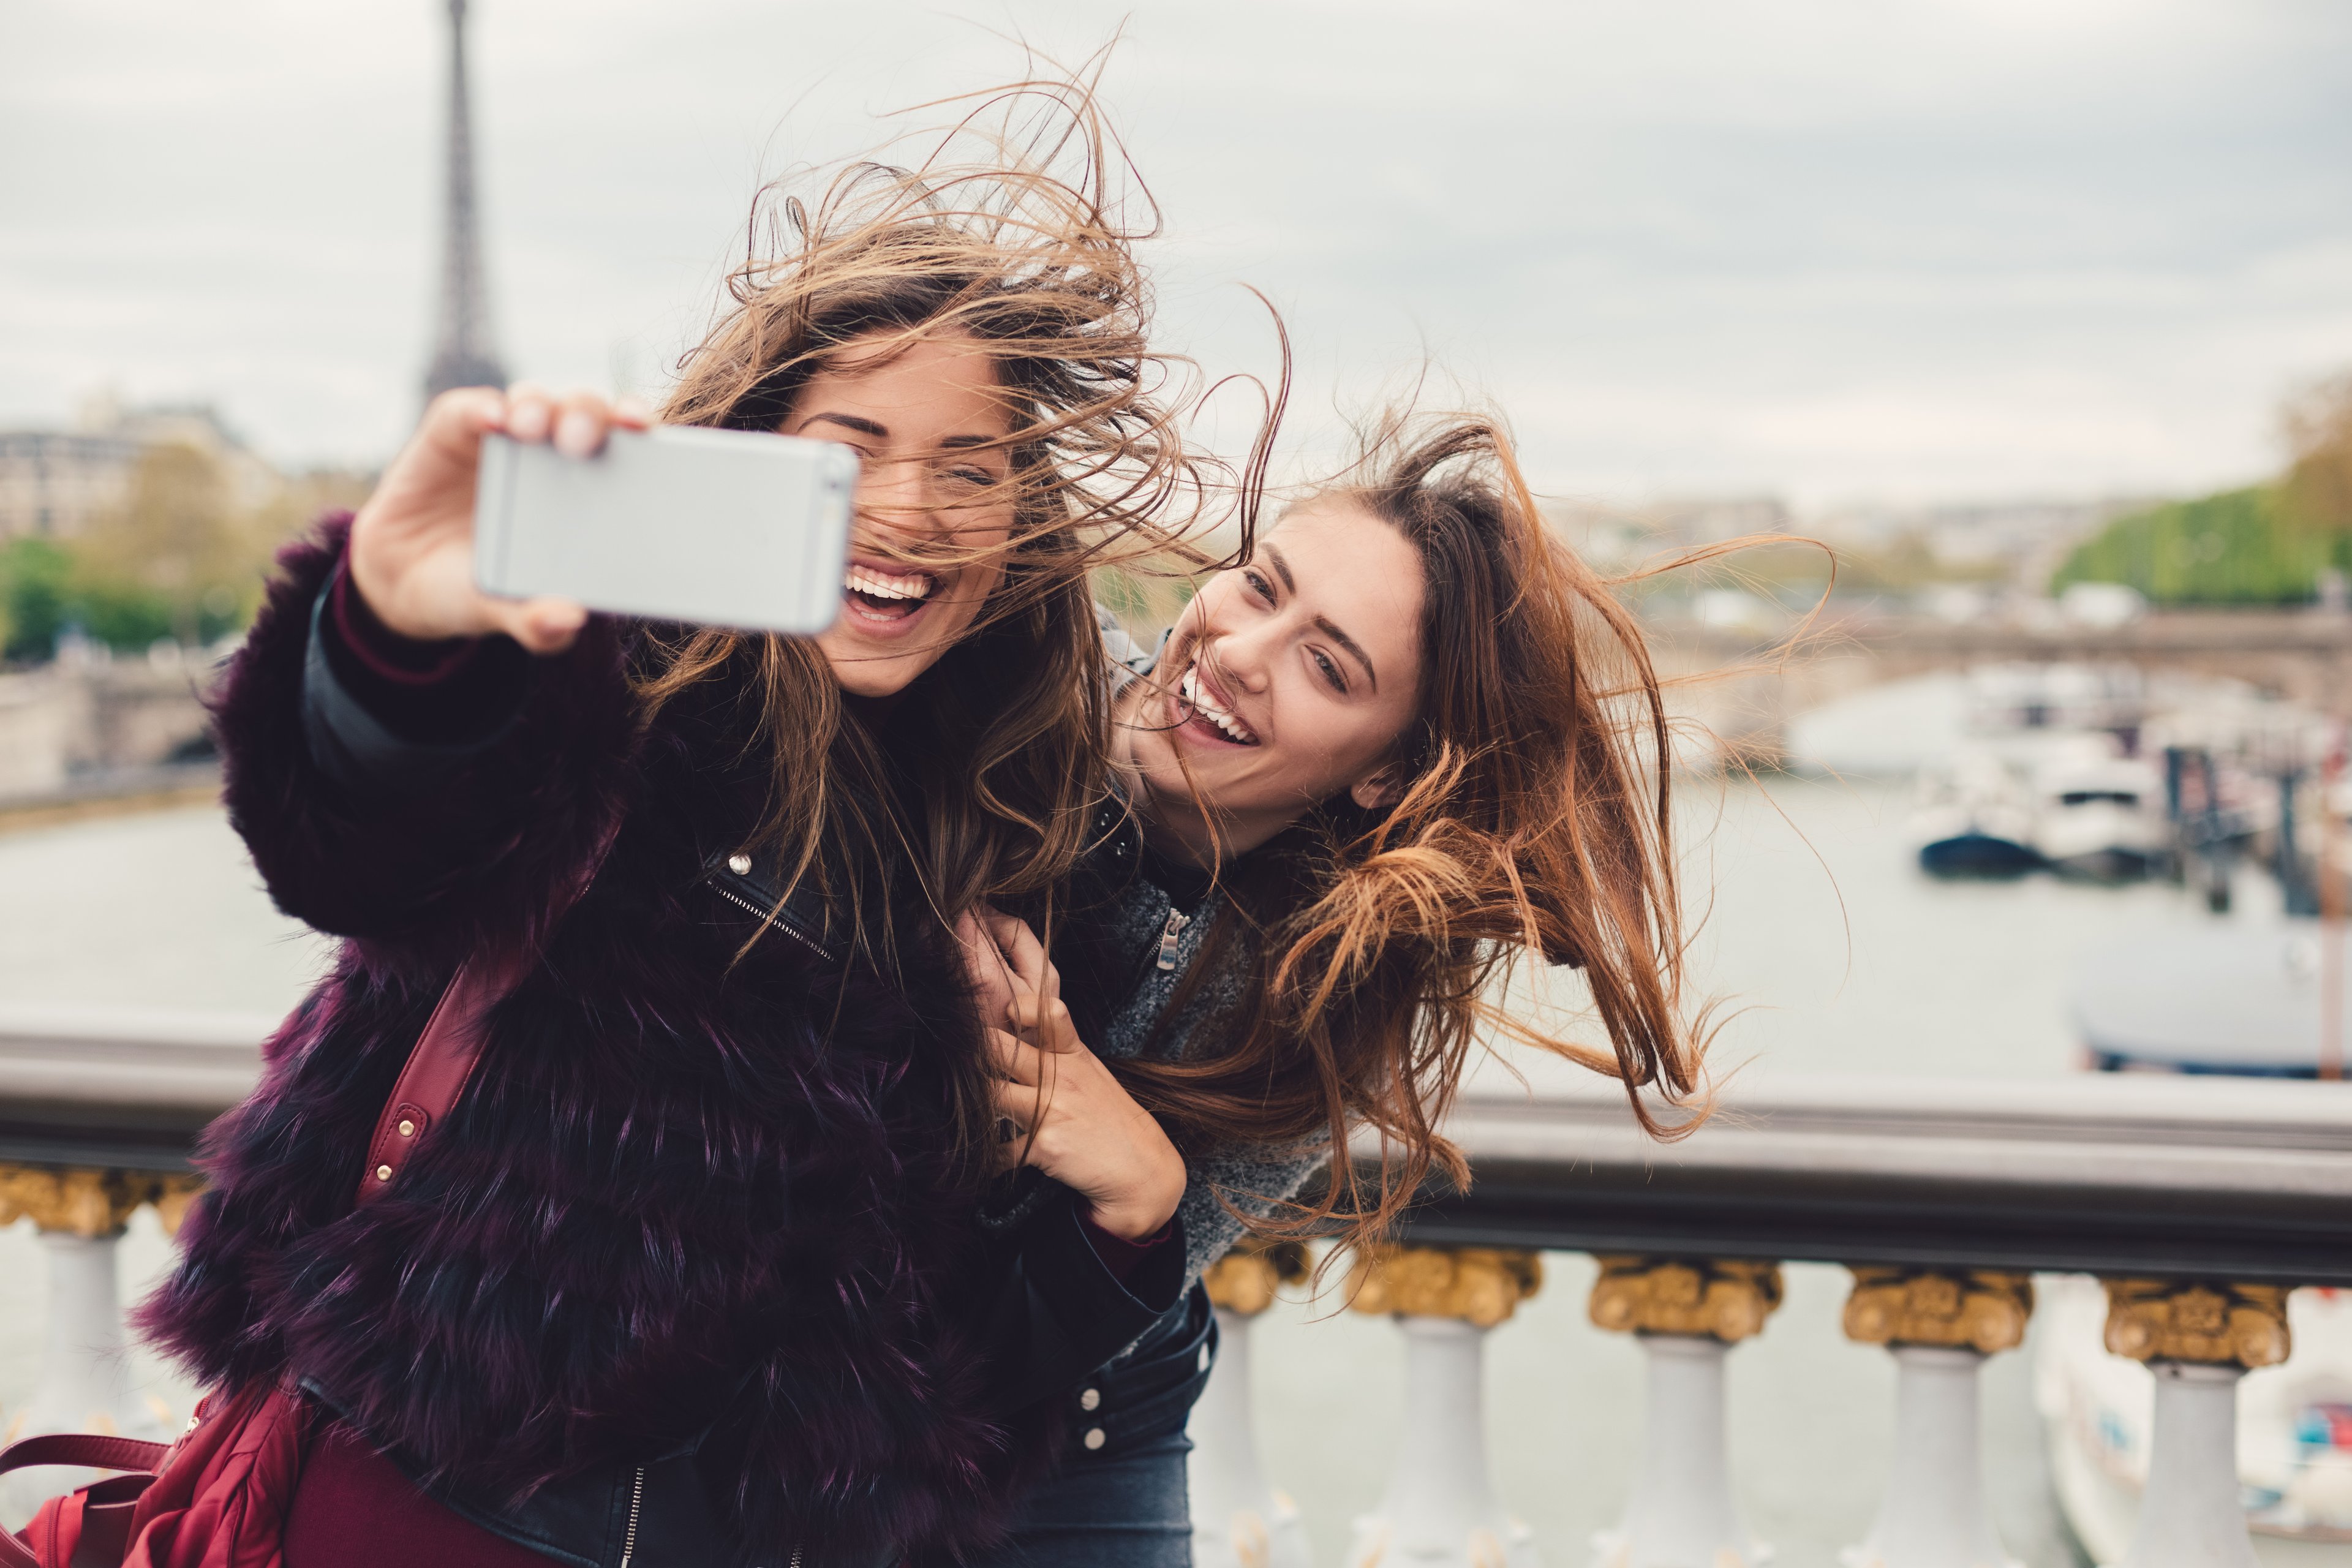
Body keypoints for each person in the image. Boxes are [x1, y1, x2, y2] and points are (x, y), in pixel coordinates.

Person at [138, 99, 1251, 1568]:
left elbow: (938, 1356)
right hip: (437, 1510)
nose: (909, 511)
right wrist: (394, 631)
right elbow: (359, 842)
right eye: (850, 451)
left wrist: (1135, 1205)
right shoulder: (610, 689)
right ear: (757, 452)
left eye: (972, 467)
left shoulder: (1008, 817)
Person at [957, 412, 1709, 1566]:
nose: (1240, 651)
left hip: (1087, 1419)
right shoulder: (997, 685)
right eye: (1260, 586)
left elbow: (1020, 1345)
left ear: (1386, 773)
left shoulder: (1328, 995)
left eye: (1326, 665)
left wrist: (1146, 1194)